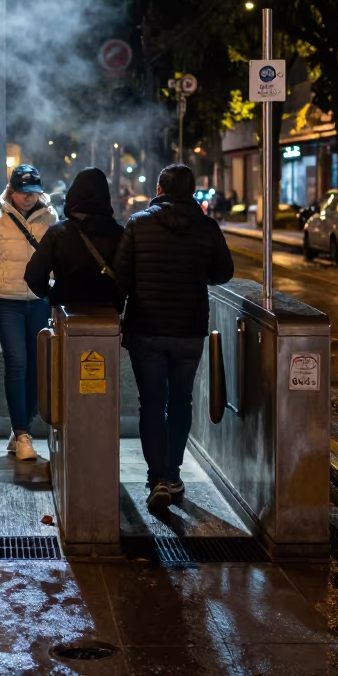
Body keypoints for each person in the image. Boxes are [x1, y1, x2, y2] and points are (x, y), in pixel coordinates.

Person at [113, 163, 234, 513]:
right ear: (192, 190)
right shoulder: (206, 225)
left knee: (151, 401)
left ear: (160, 188)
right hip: (189, 328)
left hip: (146, 328)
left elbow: (122, 276)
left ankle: (155, 478)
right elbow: (224, 272)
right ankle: (173, 474)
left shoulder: (138, 223)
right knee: (181, 400)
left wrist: (118, 316)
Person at [0, 164, 57, 461]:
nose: (28, 198)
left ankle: (20, 427)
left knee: (38, 367)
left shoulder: (51, 218)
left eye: (33, 192)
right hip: (7, 303)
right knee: (17, 363)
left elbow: (57, 263)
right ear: (11, 191)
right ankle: (22, 433)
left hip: (39, 302)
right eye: (23, 192)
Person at [25, 166, 124, 309]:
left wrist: (52, 296)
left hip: (68, 312)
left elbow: (34, 275)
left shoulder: (58, 232)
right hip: (109, 315)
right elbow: (130, 276)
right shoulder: (120, 233)